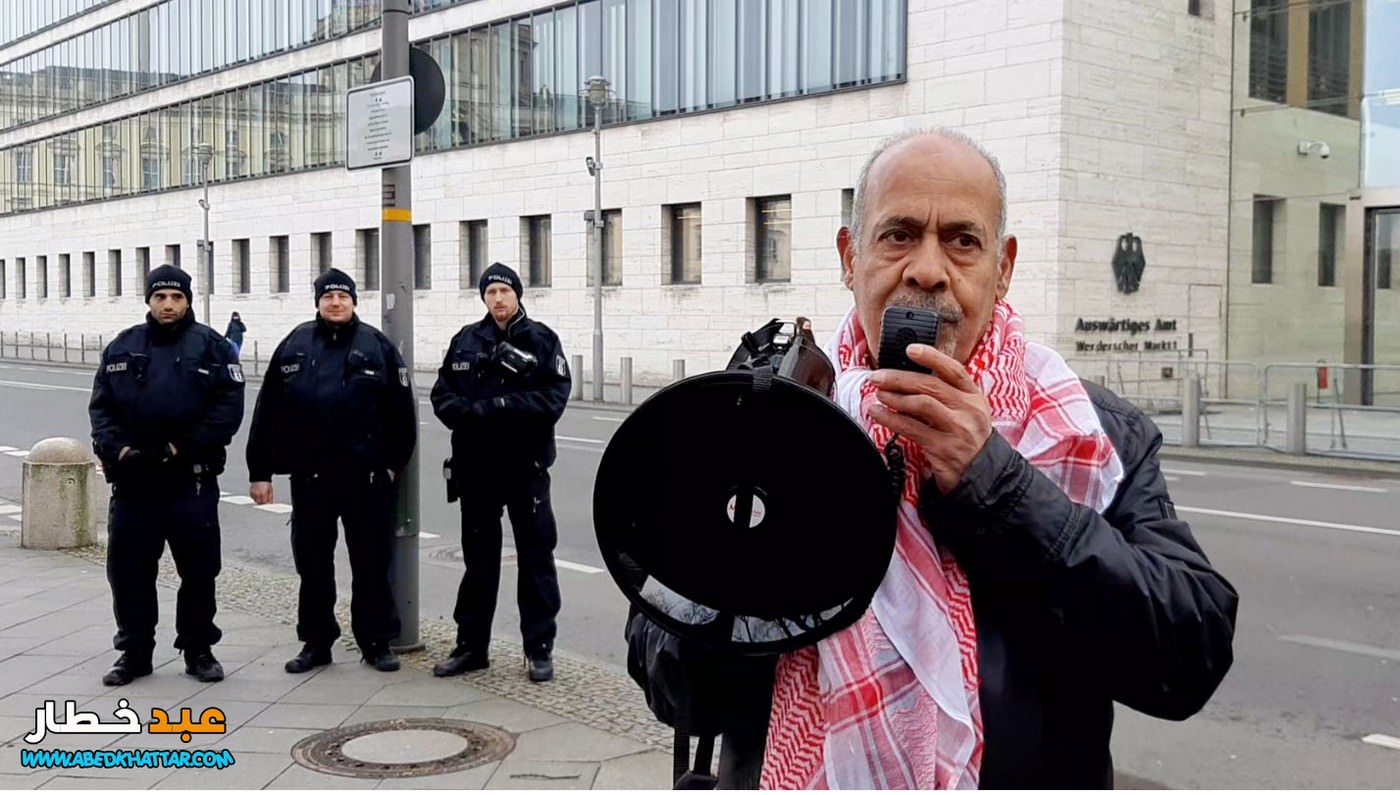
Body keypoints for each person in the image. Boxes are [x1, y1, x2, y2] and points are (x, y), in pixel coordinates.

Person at [625, 129, 1240, 789]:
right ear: (848, 255)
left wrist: (996, 483)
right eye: (898, 234)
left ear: (1002, 267)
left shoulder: (1093, 434)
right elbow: (676, 691)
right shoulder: (769, 411)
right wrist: (759, 546)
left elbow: (1189, 656)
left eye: (962, 240)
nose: (926, 268)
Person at [245, 268, 418, 674]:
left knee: (372, 565)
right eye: (328, 297)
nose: (336, 303)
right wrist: (261, 472)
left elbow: (402, 414)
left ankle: (376, 642)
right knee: (313, 566)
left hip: (368, 480)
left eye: (343, 297)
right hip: (312, 478)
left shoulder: (376, 346)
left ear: (354, 301)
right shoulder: (295, 345)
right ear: (318, 302)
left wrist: (392, 465)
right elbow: (268, 412)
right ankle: (316, 642)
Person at [89, 264, 246, 687]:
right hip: (135, 480)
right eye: (160, 297)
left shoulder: (213, 348)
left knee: (198, 569)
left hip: (189, 479)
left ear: (188, 300)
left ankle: (198, 649)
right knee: (129, 570)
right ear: (149, 301)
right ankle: (135, 652)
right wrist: (118, 449)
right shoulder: (124, 347)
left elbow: (226, 413)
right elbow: (101, 408)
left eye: (177, 297)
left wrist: (177, 448)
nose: (168, 305)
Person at [430, 262, 571, 683]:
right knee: (478, 563)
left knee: (536, 560)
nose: (498, 299)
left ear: (518, 295)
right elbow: (442, 393)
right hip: (476, 470)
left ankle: (539, 649)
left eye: (504, 292)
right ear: (483, 297)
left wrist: (501, 407)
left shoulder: (542, 340)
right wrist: (465, 413)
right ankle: (472, 647)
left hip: (525, 469)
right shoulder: (467, 340)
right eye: (490, 292)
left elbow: (554, 398)